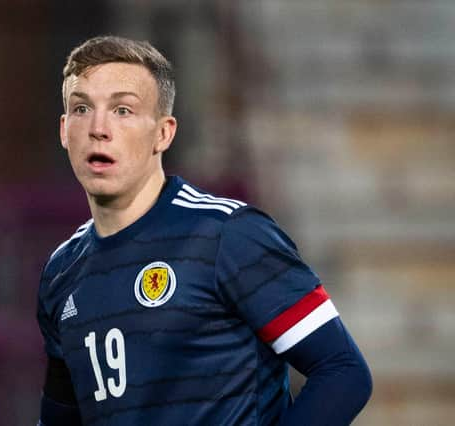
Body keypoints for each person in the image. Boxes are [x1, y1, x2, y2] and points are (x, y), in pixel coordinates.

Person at [36, 35, 372, 426]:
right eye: (81, 108)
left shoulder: (228, 234)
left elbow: (343, 372)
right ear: (64, 130)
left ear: (164, 133)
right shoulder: (60, 273)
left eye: (123, 110)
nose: (98, 128)